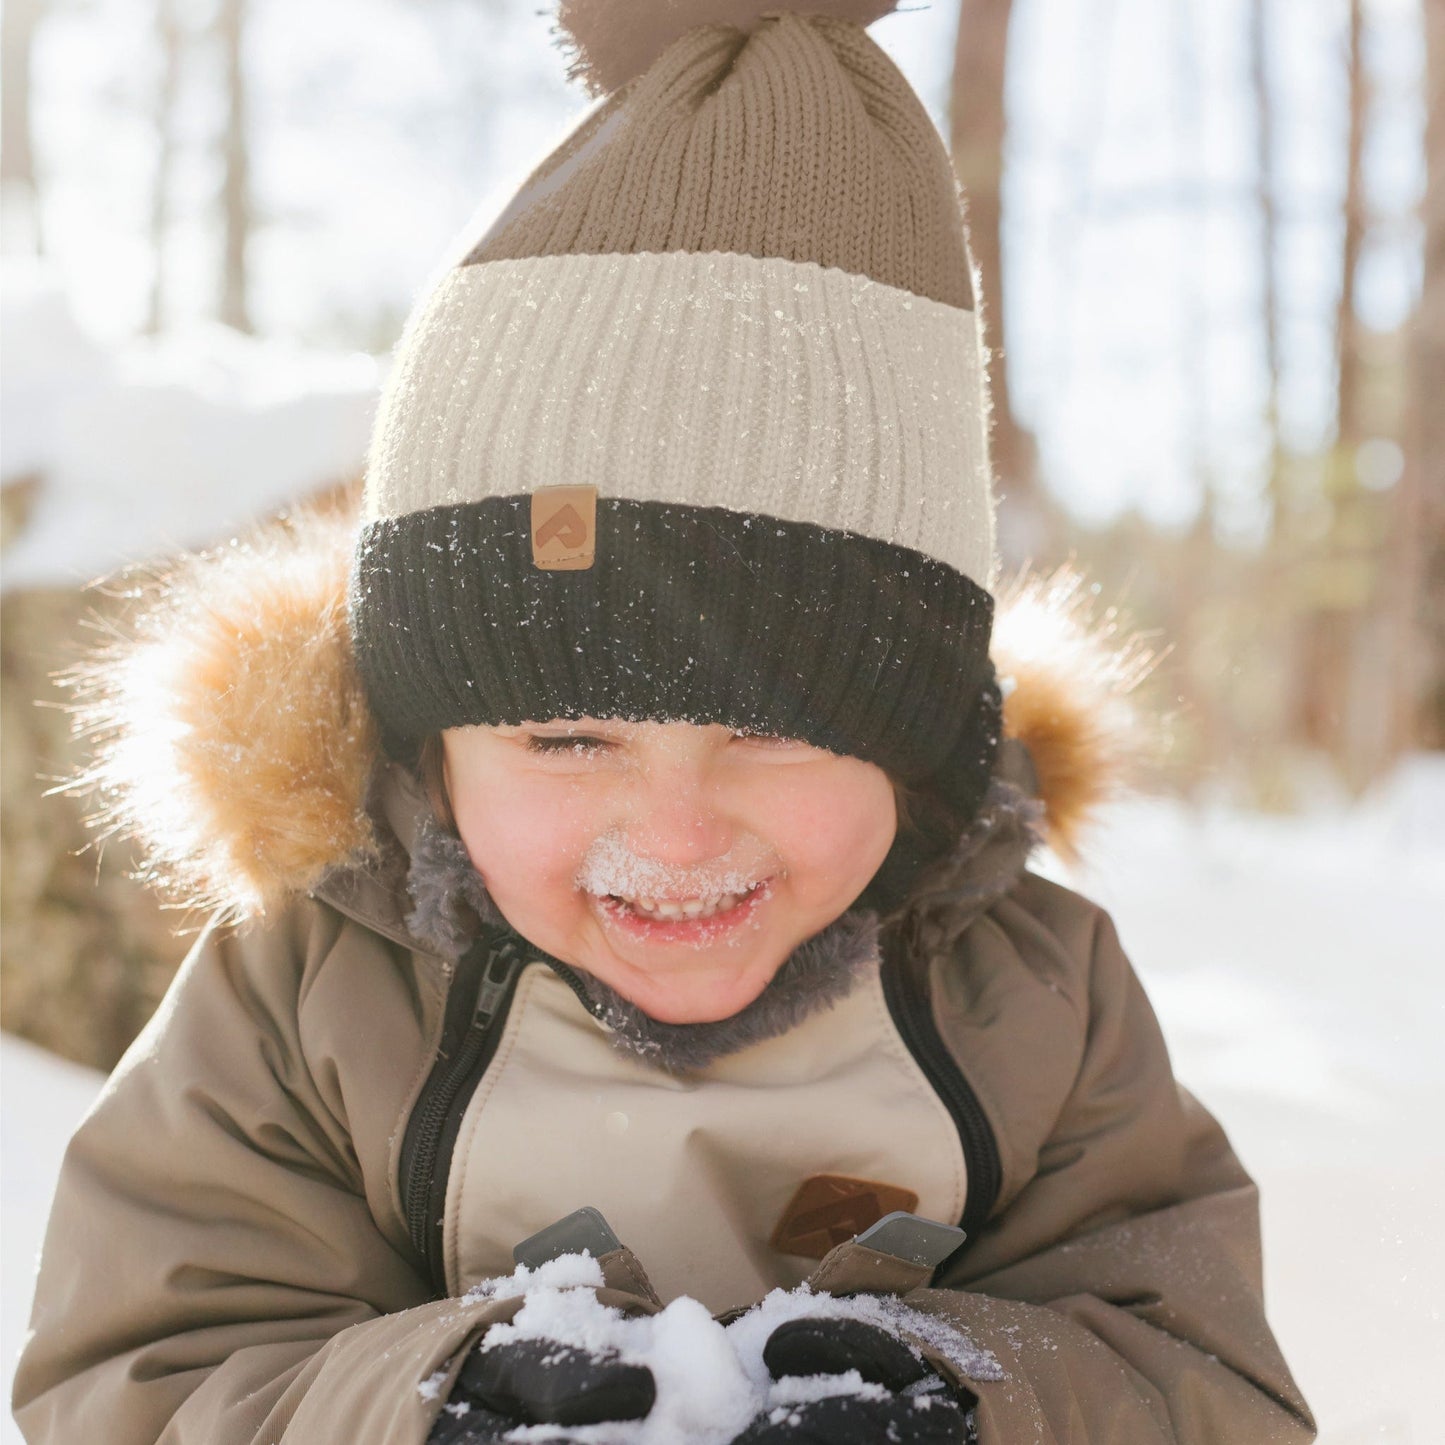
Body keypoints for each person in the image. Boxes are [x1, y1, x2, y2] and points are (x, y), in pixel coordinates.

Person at [12, 3, 1316, 1441]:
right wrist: (421, 1412)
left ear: (918, 747)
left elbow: (1199, 1379)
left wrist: (970, 1404)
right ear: (425, 749)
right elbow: (139, 1380)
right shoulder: (309, 997)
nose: (678, 831)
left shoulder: (1031, 1001)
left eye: (782, 730)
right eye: (569, 740)